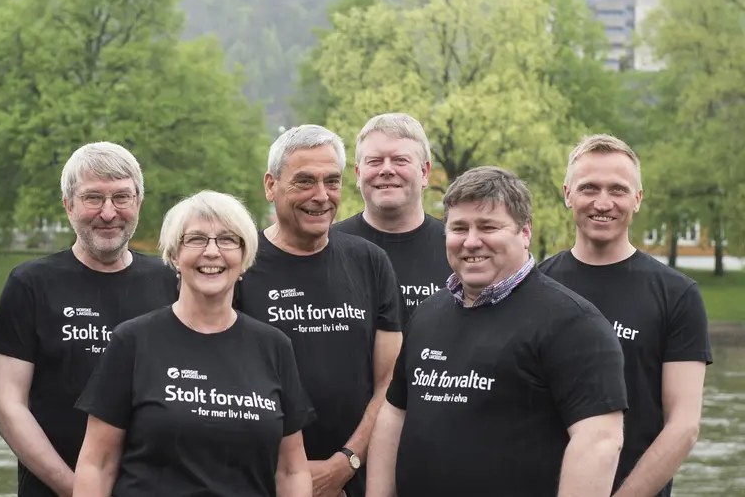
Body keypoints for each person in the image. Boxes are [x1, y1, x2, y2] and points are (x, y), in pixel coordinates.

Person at [366, 166, 629, 497]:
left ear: (525, 231)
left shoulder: (574, 324)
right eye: (459, 228)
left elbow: (599, 441)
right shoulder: (427, 314)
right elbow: (394, 413)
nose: (471, 241)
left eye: (488, 227)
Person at [72, 190, 315, 497]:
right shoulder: (132, 341)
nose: (212, 252)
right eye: (196, 239)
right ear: (175, 255)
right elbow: (97, 464)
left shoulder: (274, 347)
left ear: (244, 258)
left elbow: (291, 470)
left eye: (227, 239)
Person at [0, 141, 178, 497]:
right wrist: (78, 489)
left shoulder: (171, 283)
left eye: (121, 198)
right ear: (68, 205)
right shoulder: (31, 284)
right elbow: (6, 406)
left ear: (138, 202)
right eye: (93, 198)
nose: (108, 213)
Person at [235, 124, 404, 497]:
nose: (321, 195)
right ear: (271, 185)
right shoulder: (240, 266)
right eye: (305, 181)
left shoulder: (370, 262)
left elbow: (390, 381)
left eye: (332, 181)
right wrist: (288, 473)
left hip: (354, 479)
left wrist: (345, 463)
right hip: (262, 479)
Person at [539, 134, 712, 497]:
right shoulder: (535, 286)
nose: (603, 203)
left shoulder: (677, 295)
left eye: (618, 189)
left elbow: (683, 426)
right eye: (589, 188)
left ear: (637, 198)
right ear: (567, 194)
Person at [332, 113, 452, 317]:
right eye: (375, 161)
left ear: (424, 172)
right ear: (358, 174)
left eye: (400, 160)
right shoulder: (328, 247)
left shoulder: (457, 248)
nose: (386, 170)